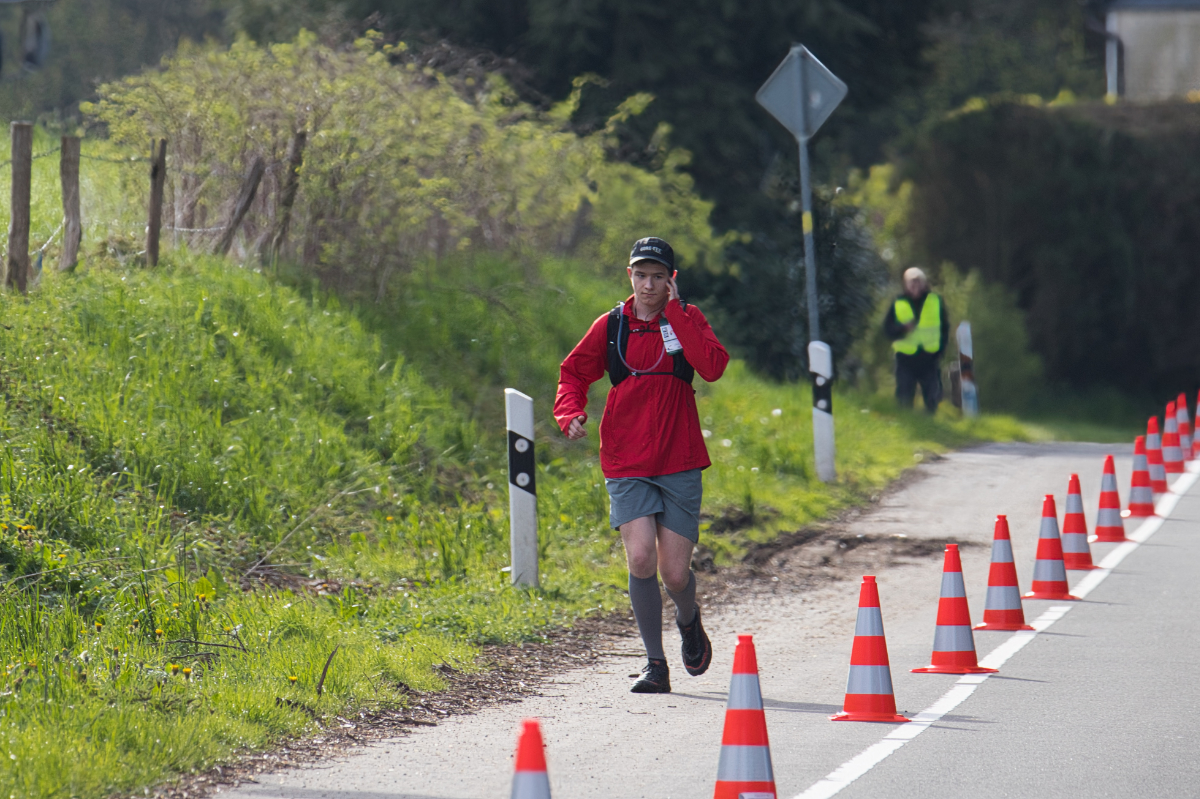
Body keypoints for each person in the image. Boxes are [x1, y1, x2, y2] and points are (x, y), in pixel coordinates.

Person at [554, 237, 730, 693]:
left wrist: (675, 314)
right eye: (640, 275)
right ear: (629, 276)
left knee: (674, 573)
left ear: (671, 279)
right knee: (639, 558)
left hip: (679, 456)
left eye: (658, 277)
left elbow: (712, 367)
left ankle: (689, 622)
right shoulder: (612, 324)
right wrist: (569, 411)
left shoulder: (687, 317)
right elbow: (573, 372)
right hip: (625, 455)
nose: (648, 285)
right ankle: (655, 662)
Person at [883, 267, 949, 414]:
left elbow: (944, 329)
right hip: (905, 360)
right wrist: (902, 329)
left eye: (918, 282)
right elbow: (887, 330)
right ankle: (908, 427)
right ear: (905, 284)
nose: (915, 286)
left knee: (932, 399)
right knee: (904, 399)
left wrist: (941, 351)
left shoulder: (935, 301)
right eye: (911, 282)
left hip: (929, 358)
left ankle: (932, 428)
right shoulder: (898, 302)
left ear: (924, 284)